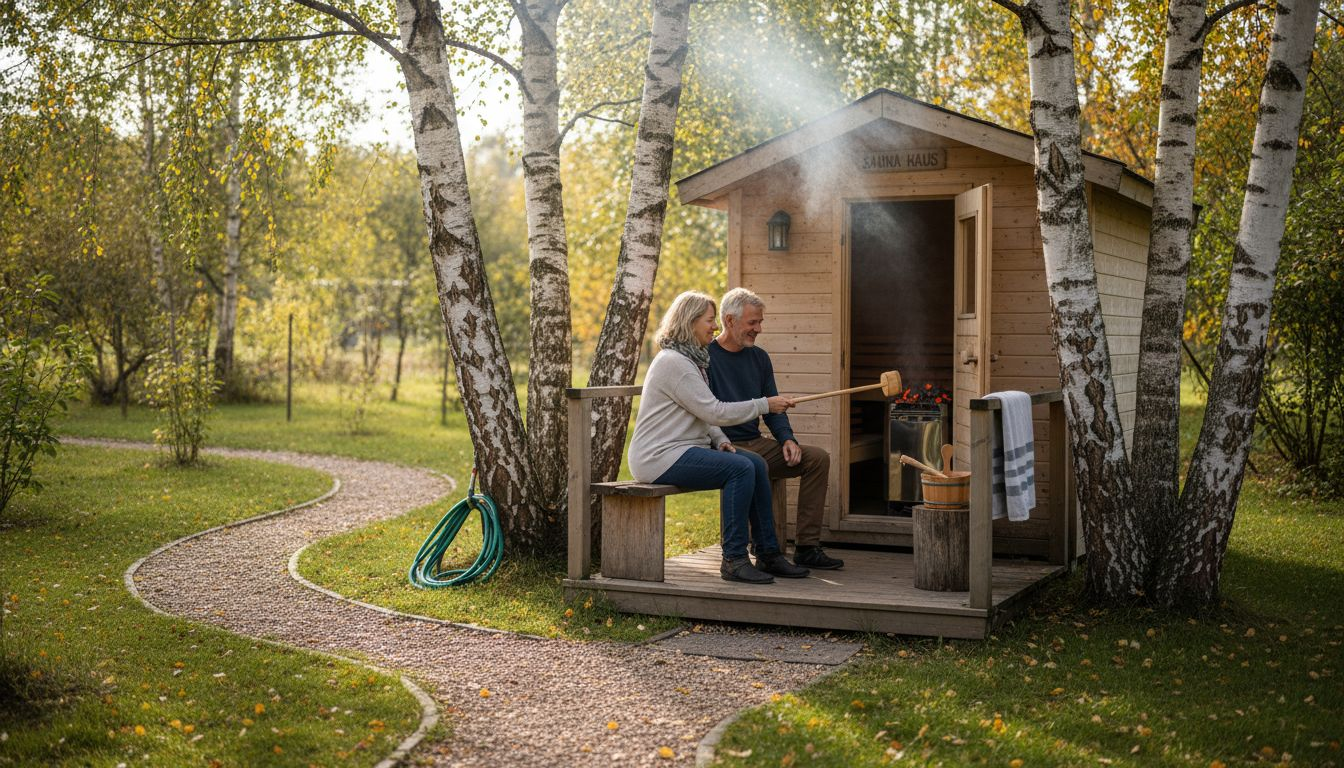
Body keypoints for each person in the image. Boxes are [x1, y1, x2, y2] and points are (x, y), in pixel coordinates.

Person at [628, 291, 810, 584]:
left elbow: (701, 412)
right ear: (690, 322)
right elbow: (714, 410)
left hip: (682, 450)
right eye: (709, 321)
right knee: (739, 468)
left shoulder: (692, 361)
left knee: (756, 462)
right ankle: (734, 560)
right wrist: (765, 404)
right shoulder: (675, 363)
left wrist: (720, 439)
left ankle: (768, 553)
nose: (714, 328)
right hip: (658, 457)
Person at [707, 287, 844, 570]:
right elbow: (708, 412)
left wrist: (787, 439)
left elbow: (774, 408)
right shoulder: (706, 358)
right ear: (729, 321)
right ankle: (759, 551)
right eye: (752, 323)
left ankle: (806, 547)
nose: (758, 329)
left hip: (755, 441)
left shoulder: (759, 358)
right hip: (721, 446)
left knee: (817, 458)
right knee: (752, 464)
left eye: (760, 322)